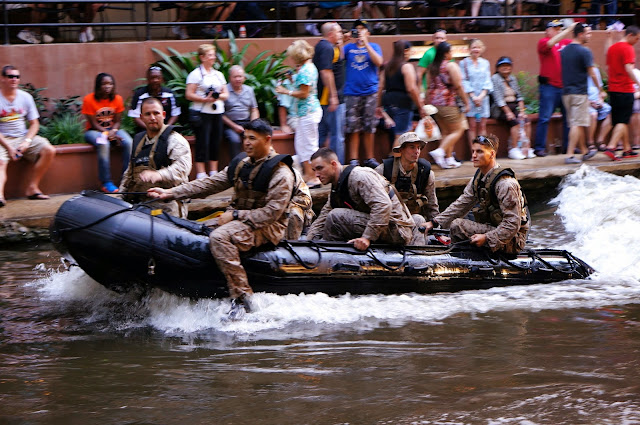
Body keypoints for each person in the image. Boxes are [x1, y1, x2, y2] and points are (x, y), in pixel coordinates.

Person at [147, 119, 296, 315]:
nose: (247, 143)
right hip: (240, 220)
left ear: (268, 139)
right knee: (193, 229)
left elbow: (271, 214)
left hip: (268, 227)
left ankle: (243, 299)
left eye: (253, 138)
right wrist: (171, 193)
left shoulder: (281, 174)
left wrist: (234, 215)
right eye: (245, 137)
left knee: (220, 237)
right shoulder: (242, 164)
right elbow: (208, 184)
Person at [424, 134, 530, 255]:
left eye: (479, 151)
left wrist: (487, 238)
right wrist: (434, 223)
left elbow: (512, 224)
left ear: (492, 154)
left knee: (458, 226)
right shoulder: (479, 178)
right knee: (462, 220)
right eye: (473, 151)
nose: (474, 155)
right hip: (494, 228)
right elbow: (461, 204)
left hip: (513, 239)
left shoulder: (505, 184)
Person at [306, 147, 419, 250]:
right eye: (314, 170)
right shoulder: (338, 187)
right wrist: (307, 242)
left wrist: (367, 238)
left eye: (320, 168)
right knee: (331, 215)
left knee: (336, 216)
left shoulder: (359, 177)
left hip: (397, 230)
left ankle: (328, 254)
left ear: (333, 164)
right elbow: (324, 216)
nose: (316, 174)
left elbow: (383, 205)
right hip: (383, 225)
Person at [119, 97, 192, 218]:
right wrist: (119, 198)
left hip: (168, 207)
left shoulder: (175, 140)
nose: (152, 118)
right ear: (141, 117)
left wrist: (160, 174)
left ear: (163, 115)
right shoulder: (137, 142)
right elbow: (129, 174)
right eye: (148, 114)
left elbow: (183, 168)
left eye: (156, 113)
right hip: (140, 206)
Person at [0, 65, 56, 205]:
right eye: (10, 76)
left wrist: (27, 141)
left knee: (49, 150)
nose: (14, 79)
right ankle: (0, 196)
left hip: (22, 137)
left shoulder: (25, 97)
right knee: (0, 161)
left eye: (17, 76)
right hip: (2, 139)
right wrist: (9, 148)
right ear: (2, 79)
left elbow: (34, 124)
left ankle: (32, 188)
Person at [275, 40, 323, 188]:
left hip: (308, 112)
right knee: (302, 145)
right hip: (307, 112)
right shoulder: (308, 67)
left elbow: (304, 93)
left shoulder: (305, 71)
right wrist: (293, 79)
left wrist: (286, 91)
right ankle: (309, 174)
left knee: (308, 146)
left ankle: (315, 177)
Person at [374, 132, 439, 235]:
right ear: (401, 150)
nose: (416, 151)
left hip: (414, 220)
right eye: (412, 147)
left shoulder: (426, 172)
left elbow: (432, 205)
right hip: (389, 220)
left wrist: (437, 229)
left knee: (419, 220)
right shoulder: (383, 170)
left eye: (418, 148)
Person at [82, 72, 133, 193]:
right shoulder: (89, 99)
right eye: (104, 84)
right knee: (103, 144)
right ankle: (106, 182)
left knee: (129, 142)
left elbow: (117, 121)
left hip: (113, 130)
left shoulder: (117, 99)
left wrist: (114, 131)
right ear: (98, 85)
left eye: (110, 84)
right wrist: (108, 134)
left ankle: (126, 180)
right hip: (94, 132)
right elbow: (94, 124)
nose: (107, 86)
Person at [343, 19, 383, 168]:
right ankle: (353, 159)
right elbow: (337, 59)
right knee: (353, 127)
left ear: (368, 32)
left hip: (370, 92)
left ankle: (369, 158)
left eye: (363, 29)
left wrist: (365, 43)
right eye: (357, 29)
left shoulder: (374, 46)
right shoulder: (348, 48)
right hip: (352, 93)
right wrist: (342, 40)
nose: (360, 31)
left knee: (369, 127)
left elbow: (379, 62)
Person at [560, 23, 602, 164]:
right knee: (577, 124)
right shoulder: (585, 51)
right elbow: (592, 73)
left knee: (577, 123)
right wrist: (600, 89)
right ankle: (570, 155)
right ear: (580, 34)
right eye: (587, 33)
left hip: (566, 93)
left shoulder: (564, 50)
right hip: (579, 93)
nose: (589, 36)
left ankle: (584, 151)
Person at [186, 44, 229, 178]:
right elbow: (188, 94)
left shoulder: (219, 75)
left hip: (217, 112)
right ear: (202, 57)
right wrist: (204, 99)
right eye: (210, 55)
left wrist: (216, 97)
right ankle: (201, 172)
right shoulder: (195, 75)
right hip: (202, 113)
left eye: (213, 55)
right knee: (202, 141)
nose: (213, 58)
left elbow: (226, 94)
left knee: (216, 140)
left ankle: (213, 171)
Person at [534, 20, 575, 157]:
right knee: (545, 118)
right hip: (549, 87)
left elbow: (577, 45)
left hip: (564, 87)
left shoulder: (565, 43)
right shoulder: (543, 41)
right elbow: (551, 43)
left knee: (568, 119)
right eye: (555, 28)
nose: (558, 31)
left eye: (559, 28)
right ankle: (539, 147)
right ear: (547, 30)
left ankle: (568, 147)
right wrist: (567, 30)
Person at [426, 42, 469, 169]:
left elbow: (428, 86)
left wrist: (428, 102)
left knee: (446, 131)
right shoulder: (451, 66)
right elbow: (458, 86)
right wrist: (466, 102)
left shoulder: (432, 67)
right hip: (448, 102)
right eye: (450, 52)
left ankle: (448, 159)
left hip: (435, 104)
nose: (452, 54)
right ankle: (440, 151)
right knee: (458, 129)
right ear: (446, 53)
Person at [377, 40, 427, 148]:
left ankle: (399, 162)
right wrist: (420, 106)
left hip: (388, 103)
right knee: (401, 137)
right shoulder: (406, 66)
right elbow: (411, 89)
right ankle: (393, 163)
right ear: (406, 51)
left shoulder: (387, 67)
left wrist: (378, 105)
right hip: (403, 104)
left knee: (401, 136)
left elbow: (380, 86)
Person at [603, 26, 640, 161]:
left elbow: (607, 60)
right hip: (625, 89)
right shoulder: (628, 48)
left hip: (613, 89)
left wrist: (608, 38)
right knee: (622, 121)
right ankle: (611, 147)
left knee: (620, 120)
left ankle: (626, 149)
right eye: (636, 38)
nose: (637, 41)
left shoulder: (613, 48)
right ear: (630, 35)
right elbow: (629, 69)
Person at [314, 22, 346, 165]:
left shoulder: (326, 46)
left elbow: (338, 62)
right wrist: (333, 96)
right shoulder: (327, 48)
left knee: (324, 135)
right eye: (339, 32)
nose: (341, 34)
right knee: (336, 136)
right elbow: (326, 72)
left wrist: (340, 43)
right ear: (330, 34)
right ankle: (337, 168)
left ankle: (321, 167)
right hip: (329, 99)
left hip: (327, 99)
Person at [490, 56, 534, 160]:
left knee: (526, 121)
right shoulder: (495, 78)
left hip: (514, 106)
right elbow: (498, 99)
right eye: (503, 66)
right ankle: (513, 149)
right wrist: (508, 112)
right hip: (500, 108)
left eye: (508, 66)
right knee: (516, 122)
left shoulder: (512, 78)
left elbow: (519, 96)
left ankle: (526, 148)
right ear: (497, 68)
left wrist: (522, 111)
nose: (506, 68)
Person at [460, 39, 493, 155]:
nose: (476, 50)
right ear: (469, 49)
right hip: (470, 99)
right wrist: (473, 96)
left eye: (478, 47)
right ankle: (474, 152)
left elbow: (488, 80)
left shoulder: (485, 63)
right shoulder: (463, 63)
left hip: (483, 98)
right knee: (472, 126)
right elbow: (463, 81)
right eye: (474, 47)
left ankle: (482, 151)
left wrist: (482, 95)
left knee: (483, 125)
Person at [128, 65, 181, 133]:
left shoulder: (169, 94)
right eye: (152, 78)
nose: (155, 80)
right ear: (148, 79)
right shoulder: (140, 94)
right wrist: (150, 129)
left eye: (158, 78)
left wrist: (166, 128)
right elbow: (135, 117)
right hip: (145, 129)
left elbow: (175, 114)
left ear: (162, 79)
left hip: (165, 129)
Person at [222, 65, 259, 159]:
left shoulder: (249, 90)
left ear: (244, 78)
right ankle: (236, 168)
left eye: (240, 76)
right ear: (230, 78)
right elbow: (221, 114)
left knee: (256, 137)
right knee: (235, 140)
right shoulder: (224, 90)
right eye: (235, 77)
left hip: (247, 123)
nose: (238, 79)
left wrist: (252, 125)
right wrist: (234, 126)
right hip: (229, 125)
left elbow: (254, 109)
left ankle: (257, 164)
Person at [586, 66, 612, 152]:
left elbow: (601, 91)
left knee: (613, 113)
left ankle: (600, 140)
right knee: (593, 115)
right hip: (586, 103)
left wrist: (600, 100)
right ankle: (590, 142)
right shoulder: (578, 73)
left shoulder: (595, 70)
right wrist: (590, 102)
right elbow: (578, 94)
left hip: (597, 101)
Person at [416, 29, 447, 93]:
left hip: (445, 91)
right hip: (430, 90)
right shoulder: (428, 54)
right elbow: (419, 73)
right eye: (437, 38)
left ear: (446, 40)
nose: (439, 40)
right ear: (433, 40)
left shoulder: (447, 53)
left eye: (442, 38)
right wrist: (419, 92)